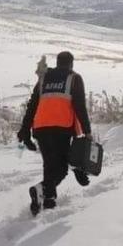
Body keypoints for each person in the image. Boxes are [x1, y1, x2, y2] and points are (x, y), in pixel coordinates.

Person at [17, 51, 92, 216]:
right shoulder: (74, 78)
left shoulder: (43, 79)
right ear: (71, 64)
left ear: (57, 63)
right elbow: (80, 106)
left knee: (49, 165)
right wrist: (87, 131)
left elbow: (32, 105)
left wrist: (25, 130)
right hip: (62, 128)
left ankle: (48, 200)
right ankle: (42, 190)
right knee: (61, 169)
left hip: (41, 128)